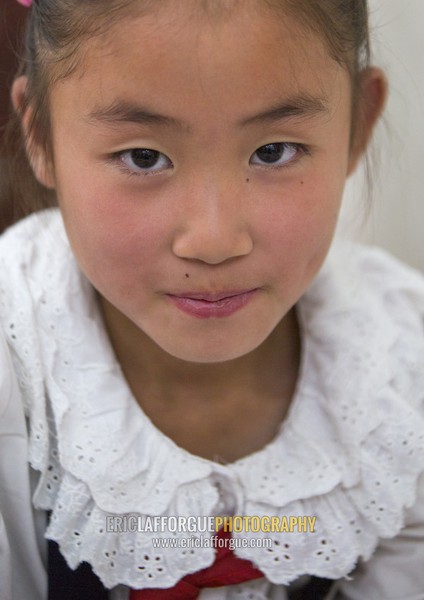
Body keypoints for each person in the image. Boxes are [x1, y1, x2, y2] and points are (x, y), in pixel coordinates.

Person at [0, 0, 423, 598]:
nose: (214, 240)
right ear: (40, 134)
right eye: (143, 157)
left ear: (358, 126)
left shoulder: (403, 367)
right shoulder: (14, 368)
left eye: (273, 151)